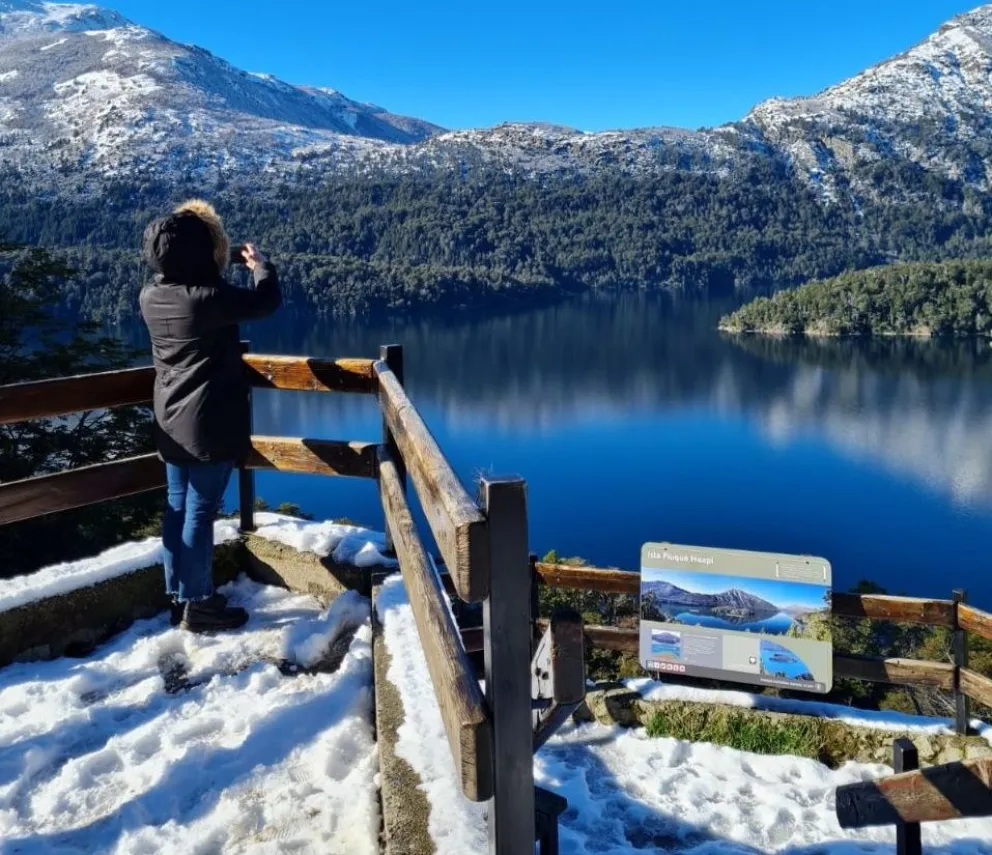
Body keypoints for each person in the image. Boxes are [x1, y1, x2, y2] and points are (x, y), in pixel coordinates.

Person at [139, 200, 282, 632]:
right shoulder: (209, 298)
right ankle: (199, 603)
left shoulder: (152, 295)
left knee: (177, 510)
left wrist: (215, 262)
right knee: (199, 515)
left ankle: (178, 597)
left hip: (170, 423)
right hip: (208, 425)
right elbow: (266, 301)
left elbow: (197, 285)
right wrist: (261, 266)